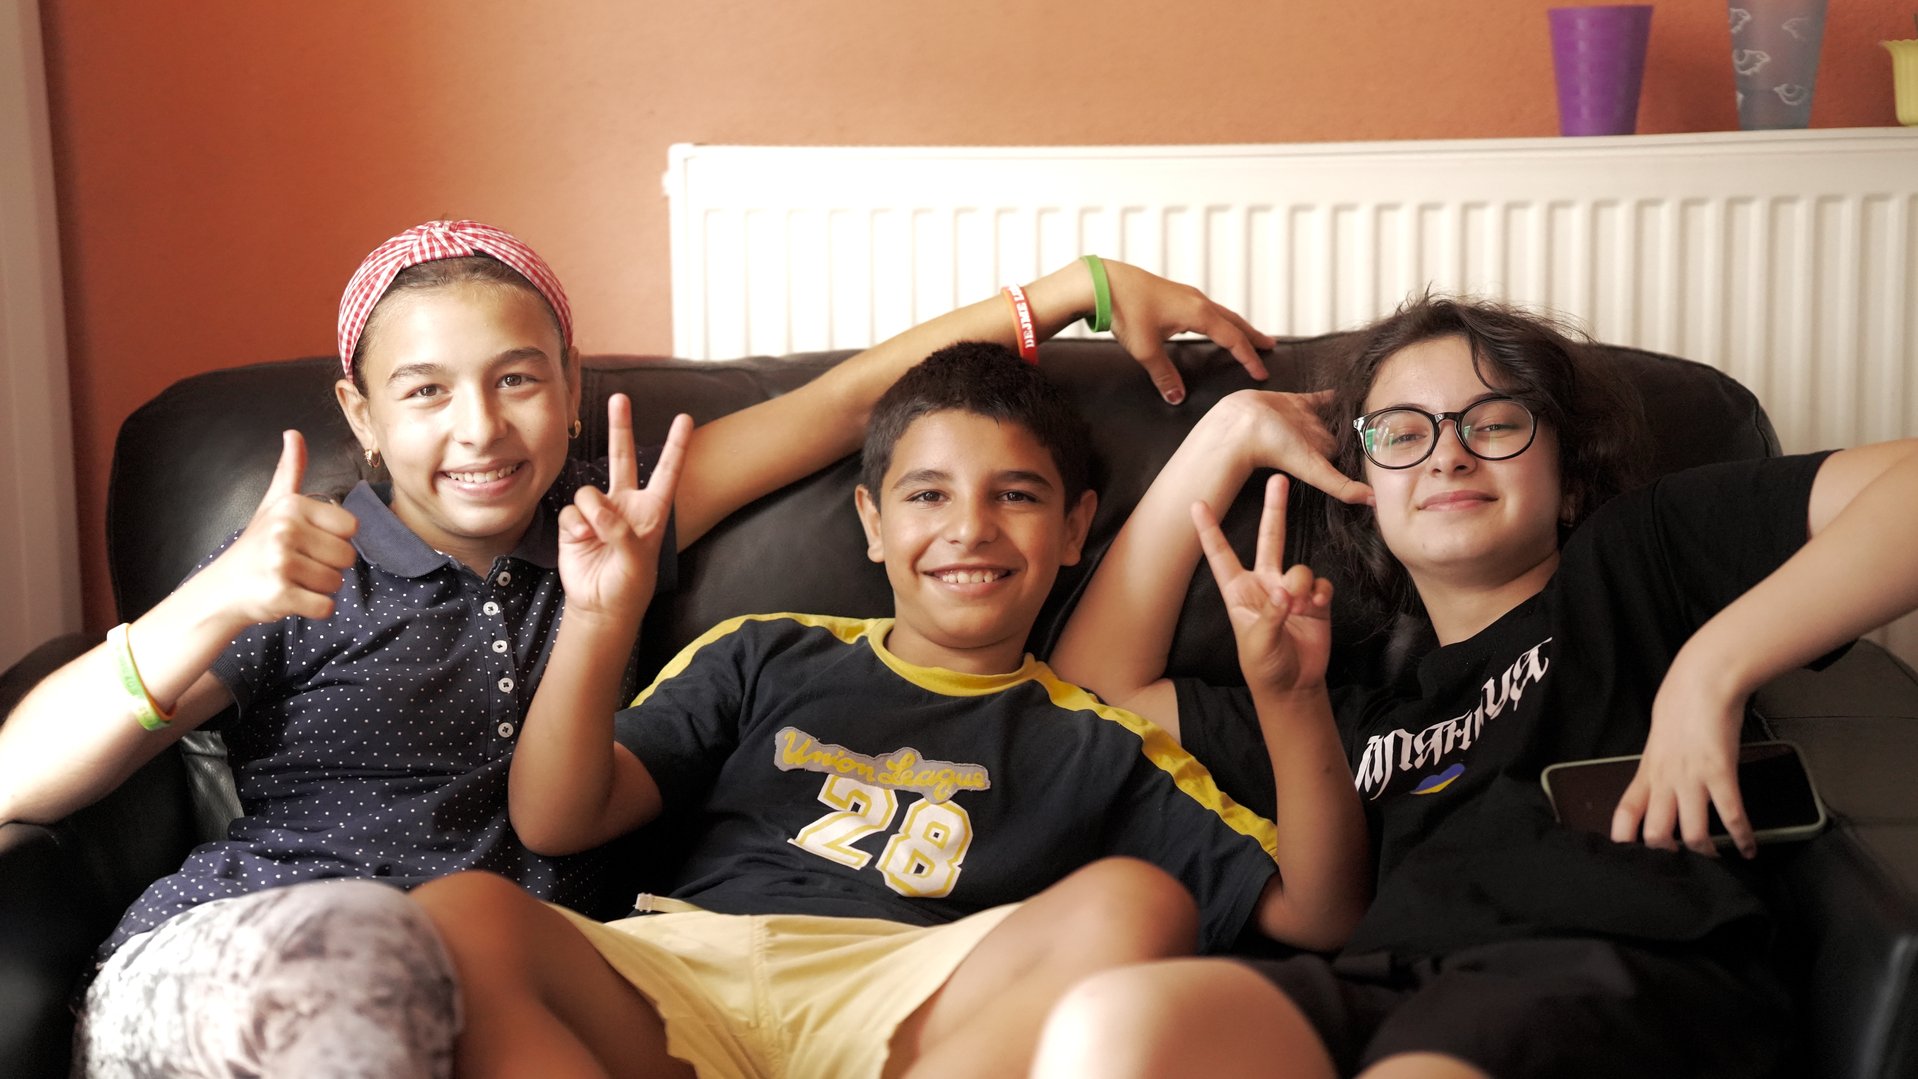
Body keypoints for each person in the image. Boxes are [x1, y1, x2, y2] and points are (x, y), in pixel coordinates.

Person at [0, 220, 1270, 1078]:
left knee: (441, 960)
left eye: (519, 379)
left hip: (504, 983)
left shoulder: (614, 526)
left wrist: (1072, 290)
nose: (481, 429)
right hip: (263, 943)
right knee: (382, 959)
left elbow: (845, 405)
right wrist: (206, 605)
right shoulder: (291, 561)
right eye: (427, 391)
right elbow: (18, 779)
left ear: (568, 381)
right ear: (361, 415)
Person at [402, 342, 1369, 1078]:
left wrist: (1293, 699)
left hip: (917, 1005)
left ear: (1076, 529)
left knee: (1138, 902)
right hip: (689, 969)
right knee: (459, 916)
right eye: (927, 494)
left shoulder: (1099, 738)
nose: (969, 529)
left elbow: (1318, 912)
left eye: (1017, 496)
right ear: (871, 522)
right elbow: (555, 817)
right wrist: (601, 613)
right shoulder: (765, 649)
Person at [1038, 294, 1918, 1078]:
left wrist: (1711, 667)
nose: (1448, 456)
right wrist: (1226, 433)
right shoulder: (1350, 715)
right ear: (1364, 489)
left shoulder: (1635, 557)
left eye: (1492, 422)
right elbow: (1089, 684)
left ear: (1570, 479)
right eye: (1403, 432)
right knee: (1118, 1021)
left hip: (1606, 967)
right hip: (1387, 989)